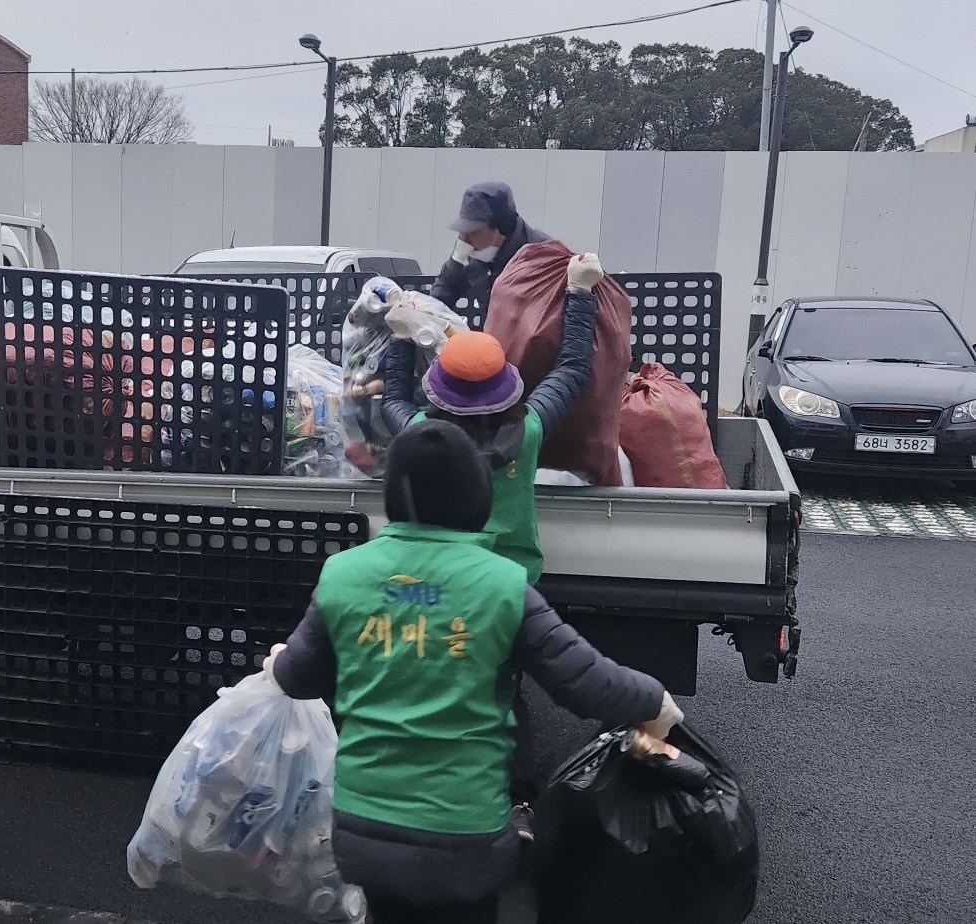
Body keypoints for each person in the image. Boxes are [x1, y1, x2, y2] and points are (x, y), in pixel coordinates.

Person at [262, 420, 683, 924]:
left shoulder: (343, 573)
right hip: (467, 839)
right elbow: (587, 684)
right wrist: (654, 701)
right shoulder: (503, 584)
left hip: (362, 832)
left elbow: (296, 678)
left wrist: (280, 659)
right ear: (475, 495)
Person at [382, 253, 606, 820]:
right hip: (508, 590)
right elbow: (574, 370)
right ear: (507, 391)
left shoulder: (419, 434)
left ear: (439, 396)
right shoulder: (527, 432)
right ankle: (516, 801)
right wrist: (580, 294)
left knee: (429, 683)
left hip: (430, 584)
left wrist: (404, 337)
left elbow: (389, 401)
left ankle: (420, 790)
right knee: (501, 695)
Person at [430, 181, 550, 315]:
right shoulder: (473, 250)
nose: (465, 239)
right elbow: (446, 288)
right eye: (463, 231)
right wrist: (424, 317)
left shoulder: (542, 256)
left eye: (473, 231)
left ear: (502, 228)